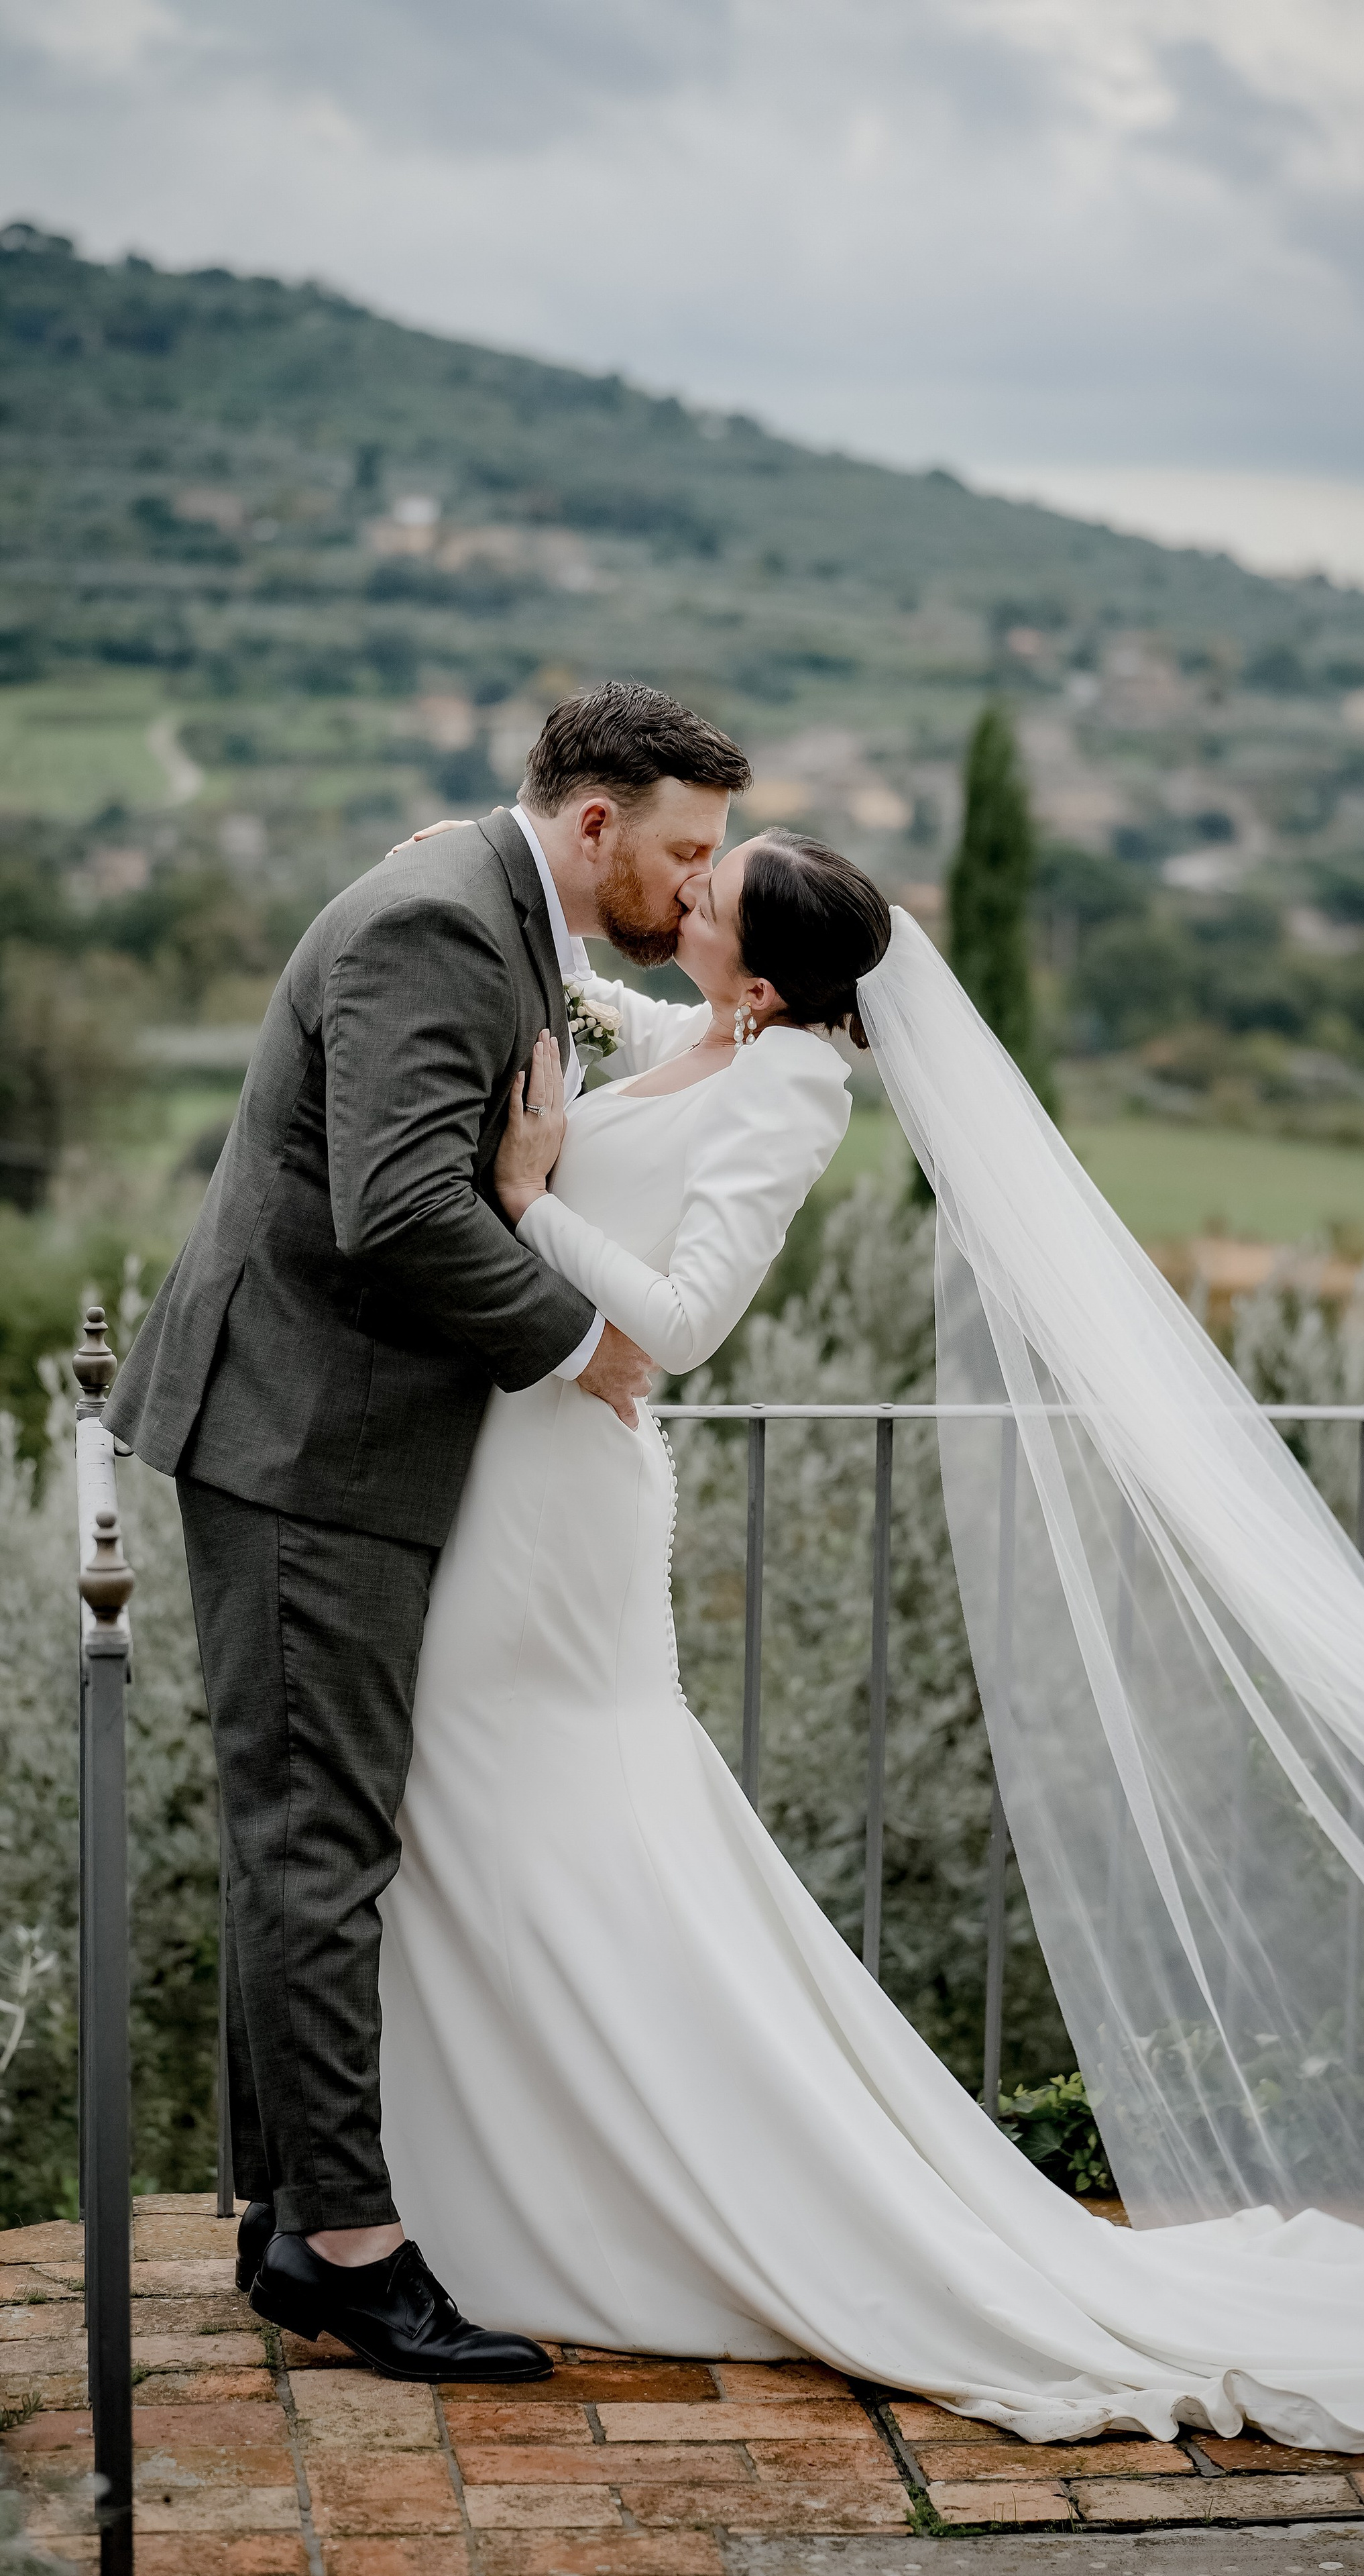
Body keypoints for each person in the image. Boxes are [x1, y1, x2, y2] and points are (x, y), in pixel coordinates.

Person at [373, 827, 1364, 2449]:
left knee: (538, 1815)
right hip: (512, 1471)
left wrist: (522, 1200)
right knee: (487, 1821)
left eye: (709, 893)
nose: (678, 892)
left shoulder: (790, 1088)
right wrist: (484, 903)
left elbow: (684, 1323)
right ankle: (506, 2185)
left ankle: (584, 2202)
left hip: (566, 1503)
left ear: (763, 983)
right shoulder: (700, 1038)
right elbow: (590, 1026)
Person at [105, 682, 751, 2381]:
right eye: (686, 850)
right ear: (594, 821)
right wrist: (580, 1344)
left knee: (310, 1830)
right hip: (306, 1436)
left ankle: (287, 2215)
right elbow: (393, 1204)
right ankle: (350, 2252)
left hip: (335, 1431)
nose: (698, 886)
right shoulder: (441, 922)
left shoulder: (492, 906)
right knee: (319, 1842)